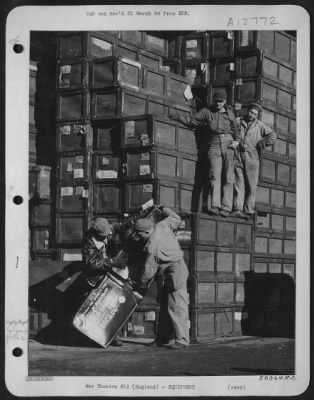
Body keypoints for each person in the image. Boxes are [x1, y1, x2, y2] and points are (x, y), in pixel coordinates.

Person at [169, 88, 240, 217]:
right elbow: (192, 121)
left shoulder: (230, 114)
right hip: (213, 144)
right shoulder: (207, 112)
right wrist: (177, 117)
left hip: (229, 144)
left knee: (229, 177)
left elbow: (236, 130)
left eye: (221, 101)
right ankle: (215, 205)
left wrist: (237, 142)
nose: (218, 103)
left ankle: (226, 207)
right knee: (214, 176)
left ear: (225, 101)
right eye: (216, 101)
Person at [131, 206, 189, 350]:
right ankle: (163, 338)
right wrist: (164, 209)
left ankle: (182, 340)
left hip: (175, 272)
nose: (139, 238)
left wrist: (134, 282)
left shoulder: (152, 247)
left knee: (177, 305)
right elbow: (176, 217)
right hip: (174, 270)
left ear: (145, 232)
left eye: (139, 235)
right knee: (165, 305)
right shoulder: (162, 225)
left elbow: (148, 273)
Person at [82, 217, 128, 346]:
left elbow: (123, 223)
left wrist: (143, 213)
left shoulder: (108, 229)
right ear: (96, 234)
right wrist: (112, 262)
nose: (108, 235)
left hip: (108, 273)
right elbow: (92, 263)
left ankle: (113, 335)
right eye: (105, 235)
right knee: (97, 308)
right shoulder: (88, 241)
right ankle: (96, 336)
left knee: (112, 304)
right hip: (95, 278)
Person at [232, 103, 277, 218]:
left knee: (251, 185)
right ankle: (237, 208)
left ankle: (248, 210)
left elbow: (273, 136)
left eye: (255, 114)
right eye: (251, 112)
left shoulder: (260, 125)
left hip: (252, 157)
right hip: (238, 154)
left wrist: (262, 143)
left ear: (257, 116)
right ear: (247, 111)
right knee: (239, 183)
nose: (252, 115)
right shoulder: (238, 121)